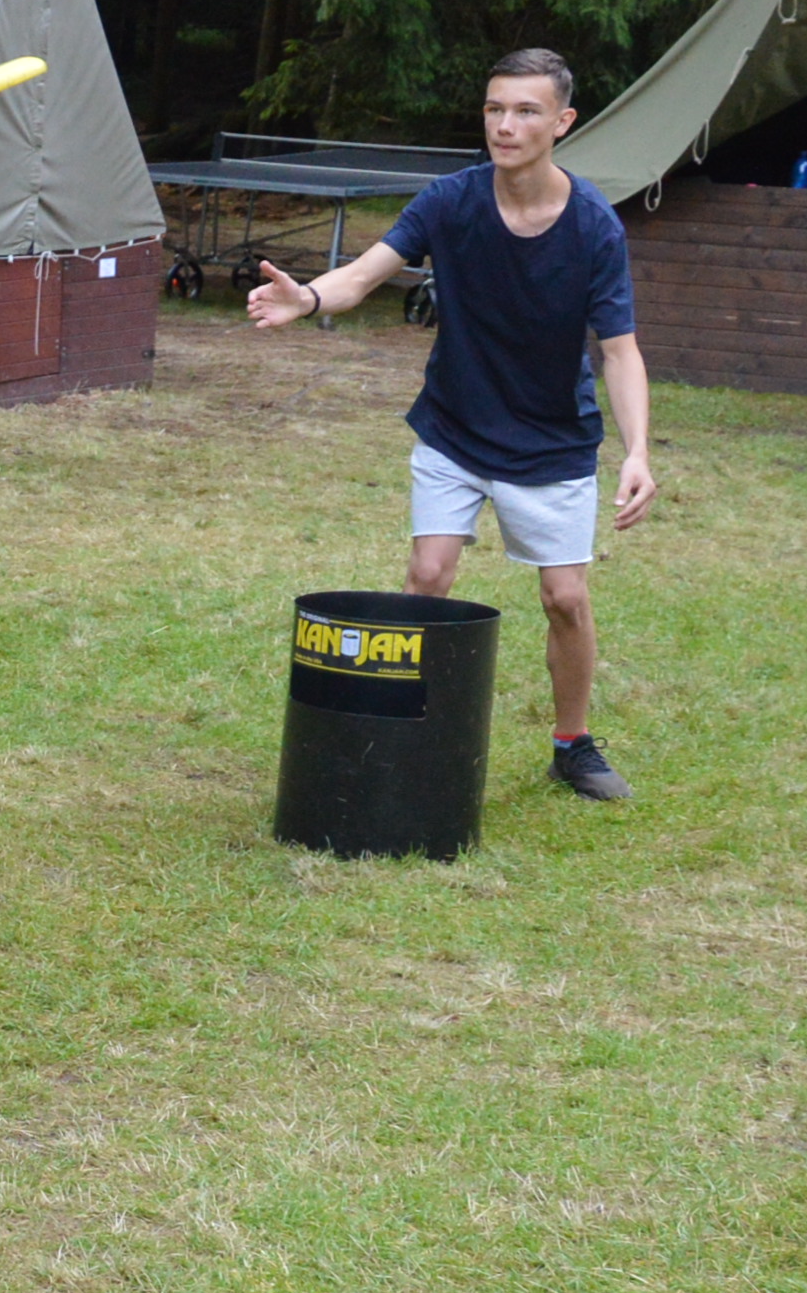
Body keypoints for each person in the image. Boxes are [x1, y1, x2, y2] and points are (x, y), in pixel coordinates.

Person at [251, 46, 657, 800]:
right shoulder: (449, 201)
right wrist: (306, 298)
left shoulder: (594, 225)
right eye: (495, 108)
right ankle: (405, 728)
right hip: (455, 426)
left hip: (552, 440)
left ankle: (572, 745)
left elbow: (620, 351)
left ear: (562, 122)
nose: (505, 126)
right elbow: (364, 275)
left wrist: (637, 451)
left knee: (565, 599)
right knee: (427, 576)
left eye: (526, 111)